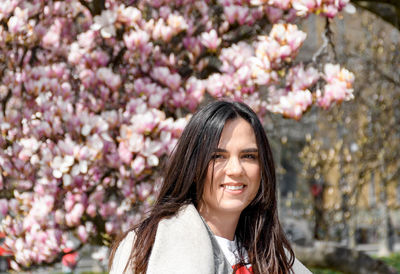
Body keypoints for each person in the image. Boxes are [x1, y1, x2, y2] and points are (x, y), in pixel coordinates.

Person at [109, 100, 311, 274]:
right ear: (193, 165)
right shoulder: (145, 247)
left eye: (248, 156)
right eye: (218, 156)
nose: (235, 170)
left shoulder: (277, 258)